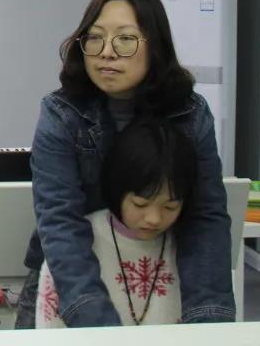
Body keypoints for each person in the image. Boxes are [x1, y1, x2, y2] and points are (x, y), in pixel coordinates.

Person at [16, 0, 233, 327]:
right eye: (95, 38)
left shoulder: (189, 115)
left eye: (126, 39)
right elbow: (59, 222)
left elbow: (205, 218)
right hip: (70, 281)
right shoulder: (61, 114)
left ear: (156, 46)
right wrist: (97, 324)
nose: (107, 52)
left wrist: (208, 321)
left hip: (160, 277)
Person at [36, 116, 196, 327]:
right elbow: (50, 332)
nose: (154, 218)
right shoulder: (78, 243)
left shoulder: (192, 247)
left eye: (170, 207)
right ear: (116, 189)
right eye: (140, 204)